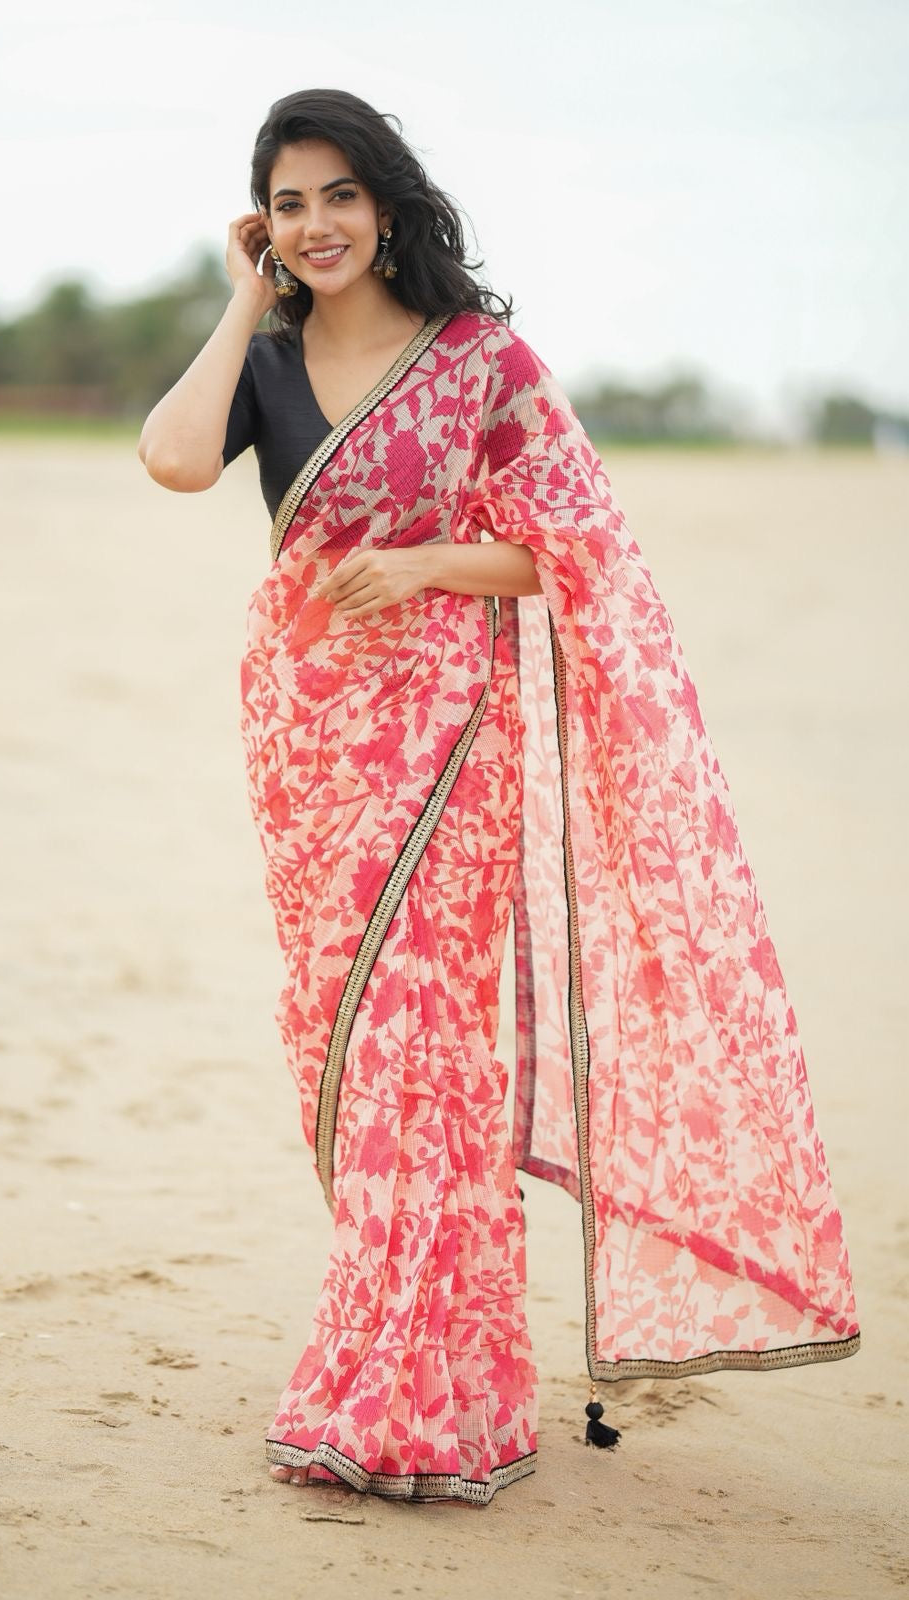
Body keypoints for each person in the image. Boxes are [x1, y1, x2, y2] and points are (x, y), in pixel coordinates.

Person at [138, 89, 861, 1507]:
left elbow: (581, 550)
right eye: (287, 204)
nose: (316, 225)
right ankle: (417, 1362)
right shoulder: (267, 363)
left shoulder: (479, 361)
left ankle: (415, 1393)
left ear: (388, 204)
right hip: (312, 754)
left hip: (447, 743)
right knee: (351, 1055)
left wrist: (424, 564)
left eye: (339, 195)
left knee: (428, 1053)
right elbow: (171, 458)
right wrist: (241, 300)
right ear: (262, 226)